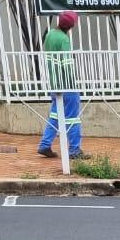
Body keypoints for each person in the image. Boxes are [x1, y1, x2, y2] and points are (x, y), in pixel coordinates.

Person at [38, 11, 88, 160]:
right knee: (73, 117)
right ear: (71, 26)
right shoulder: (64, 39)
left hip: (54, 83)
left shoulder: (50, 35)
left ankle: (45, 144)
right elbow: (66, 64)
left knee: (55, 115)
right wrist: (73, 82)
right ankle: (74, 149)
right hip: (67, 84)